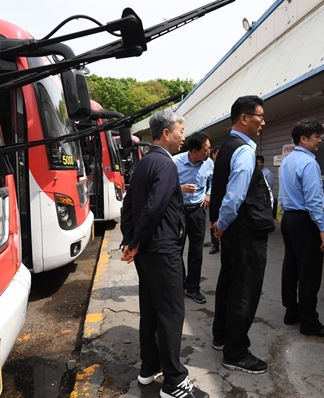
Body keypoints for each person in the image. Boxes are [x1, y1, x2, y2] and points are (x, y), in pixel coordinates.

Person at [120, 109, 209, 398]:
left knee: (151, 310)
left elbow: (128, 205)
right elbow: (154, 207)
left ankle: (149, 368)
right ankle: (174, 381)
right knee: (171, 313)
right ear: (167, 133)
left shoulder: (145, 162)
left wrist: (131, 240)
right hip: (162, 249)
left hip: (147, 251)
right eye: (181, 131)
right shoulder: (167, 164)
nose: (184, 137)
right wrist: (135, 241)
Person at [209, 95, 274, 374]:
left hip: (235, 230)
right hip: (245, 231)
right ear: (244, 118)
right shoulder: (245, 151)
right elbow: (234, 195)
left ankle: (222, 335)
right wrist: (221, 223)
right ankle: (235, 353)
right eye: (259, 116)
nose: (263, 121)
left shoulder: (227, 147)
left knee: (229, 283)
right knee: (244, 290)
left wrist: (221, 223)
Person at [278, 119, 324, 337]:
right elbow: (313, 200)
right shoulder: (309, 163)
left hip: (289, 219)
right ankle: (309, 321)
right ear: (304, 139)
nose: (320, 140)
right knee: (309, 271)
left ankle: (291, 311)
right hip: (305, 221)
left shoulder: (287, 160)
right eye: (316, 136)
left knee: (291, 266)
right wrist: (323, 229)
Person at [173, 132, 213, 304]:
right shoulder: (175, 162)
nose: (209, 152)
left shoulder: (209, 163)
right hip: (179, 212)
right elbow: (164, 185)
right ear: (194, 151)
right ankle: (177, 286)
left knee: (196, 252)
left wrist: (209, 195)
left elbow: (213, 180)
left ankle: (193, 288)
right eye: (206, 149)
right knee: (176, 251)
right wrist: (180, 188)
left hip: (197, 212)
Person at [208, 147, 220, 254]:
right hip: (212, 199)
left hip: (222, 198)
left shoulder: (226, 166)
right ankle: (215, 244)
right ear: (214, 155)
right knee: (213, 221)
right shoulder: (210, 166)